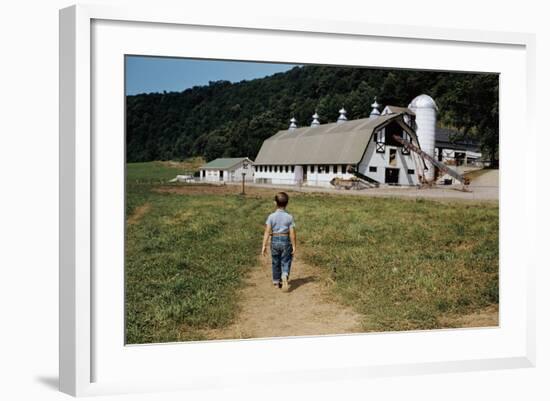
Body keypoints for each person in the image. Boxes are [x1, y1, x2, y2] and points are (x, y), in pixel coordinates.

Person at [261, 192, 297, 292]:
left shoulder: (271, 217)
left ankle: (276, 281)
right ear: (287, 203)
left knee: (275, 261)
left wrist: (264, 245)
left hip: (275, 240)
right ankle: (285, 274)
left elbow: (267, 231)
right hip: (286, 240)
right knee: (286, 260)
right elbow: (292, 233)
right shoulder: (289, 217)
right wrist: (294, 246)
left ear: (275, 203)